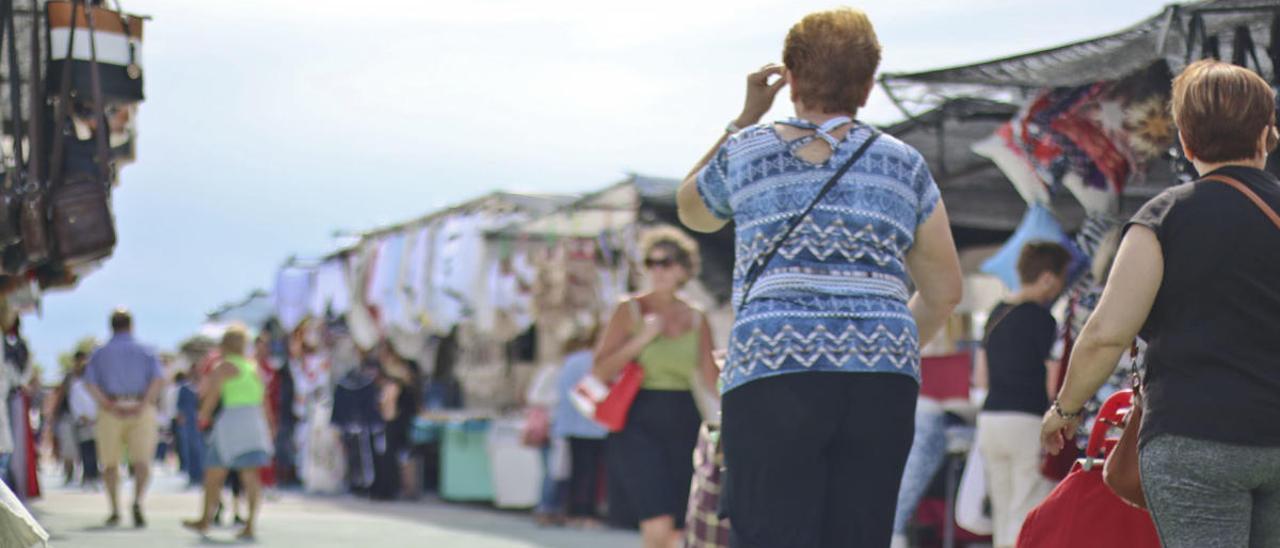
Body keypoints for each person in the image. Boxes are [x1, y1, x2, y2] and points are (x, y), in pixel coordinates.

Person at [676, 8, 964, 546]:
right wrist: (880, 342)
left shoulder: (747, 152)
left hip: (772, 368)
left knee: (771, 532)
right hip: (882, 376)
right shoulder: (904, 165)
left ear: (789, 77)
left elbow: (692, 209)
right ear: (869, 83)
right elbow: (945, 291)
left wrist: (743, 119)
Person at [1042, 60, 1280, 548]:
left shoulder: (1165, 217)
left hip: (1193, 435)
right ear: (1267, 135)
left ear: (1185, 142)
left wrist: (1065, 410)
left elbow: (1108, 331)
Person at [594, 226, 718, 548]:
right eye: (652, 262)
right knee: (657, 520)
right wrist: (642, 339)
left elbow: (710, 377)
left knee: (678, 525)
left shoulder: (696, 317)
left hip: (683, 419)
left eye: (668, 262)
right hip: (637, 419)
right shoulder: (629, 309)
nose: (659, 270)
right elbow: (600, 369)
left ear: (684, 269)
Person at [976, 242, 1070, 548]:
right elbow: (1053, 381)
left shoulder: (995, 313)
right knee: (1026, 508)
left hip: (990, 419)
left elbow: (980, 376)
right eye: (1061, 278)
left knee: (1002, 513)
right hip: (1026, 420)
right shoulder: (1043, 320)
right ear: (1047, 277)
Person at [183, 325, 273, 540]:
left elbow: (213, 396)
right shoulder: (253, 367)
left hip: (232, 421)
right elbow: (265, 401)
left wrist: (202, 416)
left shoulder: (223, 367)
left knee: (214, 472)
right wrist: (269, 427)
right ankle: (250, 524)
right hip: (254, 421)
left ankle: (205, 518)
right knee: (251, 476)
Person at [82, 308, 165, 528]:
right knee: (142, 461)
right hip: (141, 407)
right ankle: (137, 501)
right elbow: (158, 380)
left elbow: (89, 383)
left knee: (110, 463)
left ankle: (115, 508)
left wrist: (107, 403)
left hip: (111, 408)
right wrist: (144, 403)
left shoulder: (99, 352)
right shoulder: (146, 351)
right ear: (131, 325)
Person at [554, 330, 608, 528]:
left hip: (573, 425)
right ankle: (585, 512)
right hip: (595, 426)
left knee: (577, 470)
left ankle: (574, 510)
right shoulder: (599, 361)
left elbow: (560, 390)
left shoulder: (572, 361)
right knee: (591, 472)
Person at [68, 351, 101, 488]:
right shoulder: (77, 386)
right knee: (86, 450)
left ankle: (96, 476)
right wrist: (83, 417)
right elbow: (74, 404)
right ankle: (88, 477)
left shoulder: (97, 386)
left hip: (97, 423)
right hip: (83, 423)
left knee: (96, 451)